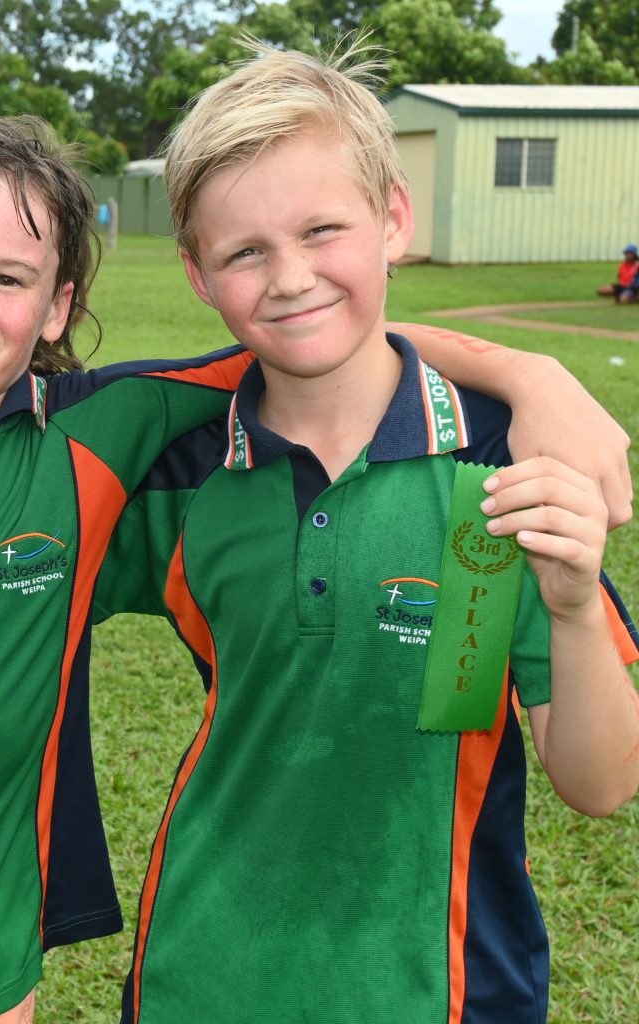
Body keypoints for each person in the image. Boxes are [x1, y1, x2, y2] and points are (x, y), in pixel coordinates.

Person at [0, 115, 632, 1024]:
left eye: (10, 278)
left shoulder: (104, 434)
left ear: (59, 299)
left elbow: (315, 332)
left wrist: (532, 375)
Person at [104, 44, 639, 1022]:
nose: (291, 277)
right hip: (203, 976)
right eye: (245, 251)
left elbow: (600, 782)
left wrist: (568, 605)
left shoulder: (503, 460)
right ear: (197, 273)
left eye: (322, 230)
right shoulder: (177, 466)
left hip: (446, 985)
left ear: (393, 218)